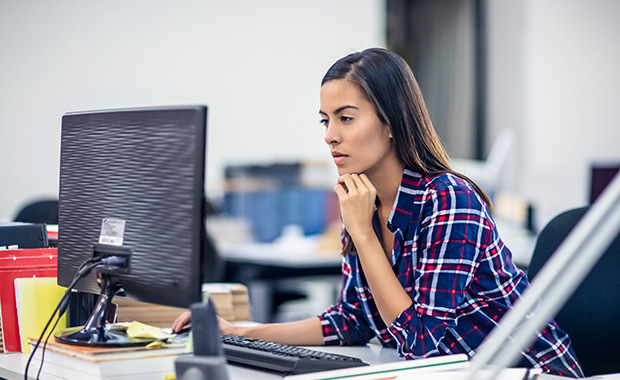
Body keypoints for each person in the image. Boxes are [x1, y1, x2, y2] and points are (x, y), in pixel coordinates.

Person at [173, 48, 583, 377]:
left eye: (346, 118)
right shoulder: (362, 199)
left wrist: (364, 236)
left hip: (530, 371)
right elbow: (351, 320)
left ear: (391, 122)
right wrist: (241, 332)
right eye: (325, 121)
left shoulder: (449, 200)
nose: (330, 136)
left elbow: (421, 344)